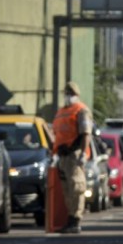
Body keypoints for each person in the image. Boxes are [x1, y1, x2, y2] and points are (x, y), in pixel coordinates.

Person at [51, 81, 93, 234]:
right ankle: (70, 219)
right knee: (67, 189)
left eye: (72, 94)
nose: (68, 97)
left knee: (76, 187)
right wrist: (54, 154)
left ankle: (75, 220)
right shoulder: (61, 111)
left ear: (77, 95)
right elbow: (56, 134)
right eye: (67, 93)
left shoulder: (81, 110)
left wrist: (82, 154)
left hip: (75, 154)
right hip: (62, 155)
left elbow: (86, 133)